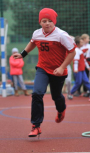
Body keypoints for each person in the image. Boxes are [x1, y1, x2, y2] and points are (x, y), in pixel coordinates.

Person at [13, 8, 76, 137]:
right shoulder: (37, 34)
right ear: (40, 22)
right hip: (42, 68)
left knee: (56, 96)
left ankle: (61, 109)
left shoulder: (61, 35)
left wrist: (62, 67)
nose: (47, 23)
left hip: (58, 71)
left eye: (50, 21)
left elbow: (72, 52)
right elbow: (32, 43)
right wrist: (22, 54)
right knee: (36, 93)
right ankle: (36, 126)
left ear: (54, 22)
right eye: (44, 21)